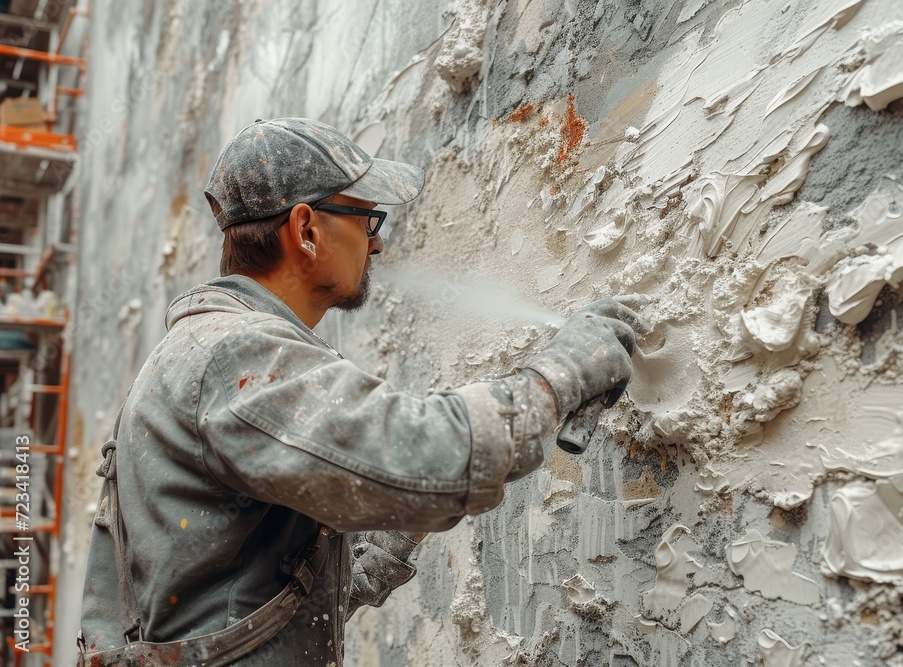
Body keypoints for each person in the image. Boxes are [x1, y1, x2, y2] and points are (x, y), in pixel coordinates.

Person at [77, 118, 646, 666]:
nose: (375, 247)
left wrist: (382, 546)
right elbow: (429, 454)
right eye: (366, 220)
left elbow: (242, 605)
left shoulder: (200, 348)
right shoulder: (236, 354)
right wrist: (565, 371)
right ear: (305, 230)